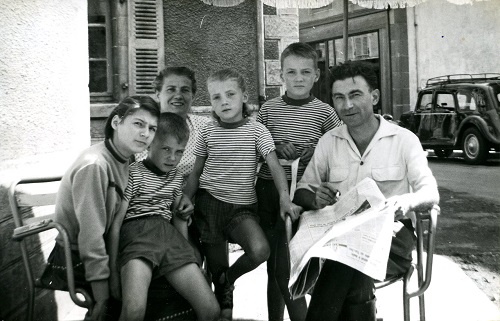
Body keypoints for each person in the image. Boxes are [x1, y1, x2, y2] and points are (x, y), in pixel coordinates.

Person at [293, 61, 439, 321]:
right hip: (337, 242)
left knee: (346, 259)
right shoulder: (329, 142)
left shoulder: (404, 140)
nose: (346, 105)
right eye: (339, 97)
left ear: (374, 96)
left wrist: (406, 202)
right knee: (350, 262)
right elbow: (303, 190)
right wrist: (315, 198)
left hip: (392, 243)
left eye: (355, 95)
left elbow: (430, 193)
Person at [183, 68, 302, 321]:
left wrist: (284, 198)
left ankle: (229, 280)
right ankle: (224, 302)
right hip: (209, 203)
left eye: (230, 94)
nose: (224, 101)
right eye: (216, 97)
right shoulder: (207, 132)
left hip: (243, 208)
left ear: (243, 96)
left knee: (260, 251)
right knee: (216, 270)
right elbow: (196, 171)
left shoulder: (257, 131)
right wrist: (186, 197)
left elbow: (275, 166)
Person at [41, 96, 160, 320]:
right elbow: (90, 236)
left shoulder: (126, 159)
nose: (146, 133)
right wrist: (103, 294)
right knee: (134, 299)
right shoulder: (95, 165)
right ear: (116, 123)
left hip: (103, 249)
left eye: (152, 128)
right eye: (138, 124)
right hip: (75, 257)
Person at [256, 42, 342, 321]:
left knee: (290, 262)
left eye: (305, 72)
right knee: (273, 264)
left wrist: (315, 149)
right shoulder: (268, 110)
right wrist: (275, 145)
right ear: (280, 75)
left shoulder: (325, 113)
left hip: (304, 195)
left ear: (316, 75)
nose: (298, 79)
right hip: (269, 189)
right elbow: (253, 145)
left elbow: (337, 149)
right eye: (291, 72)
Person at [108, 113, 219, 321]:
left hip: (168, 236)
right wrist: (113, 271)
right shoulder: (132, 173)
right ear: (149, 144)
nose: (172, 158)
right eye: (166, 149)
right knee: (133, 311)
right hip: (136, 235)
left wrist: (188, 253)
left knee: (211, 310)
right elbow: (116, 223)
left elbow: (178, 218)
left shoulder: (176, 177)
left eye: (179, 152)